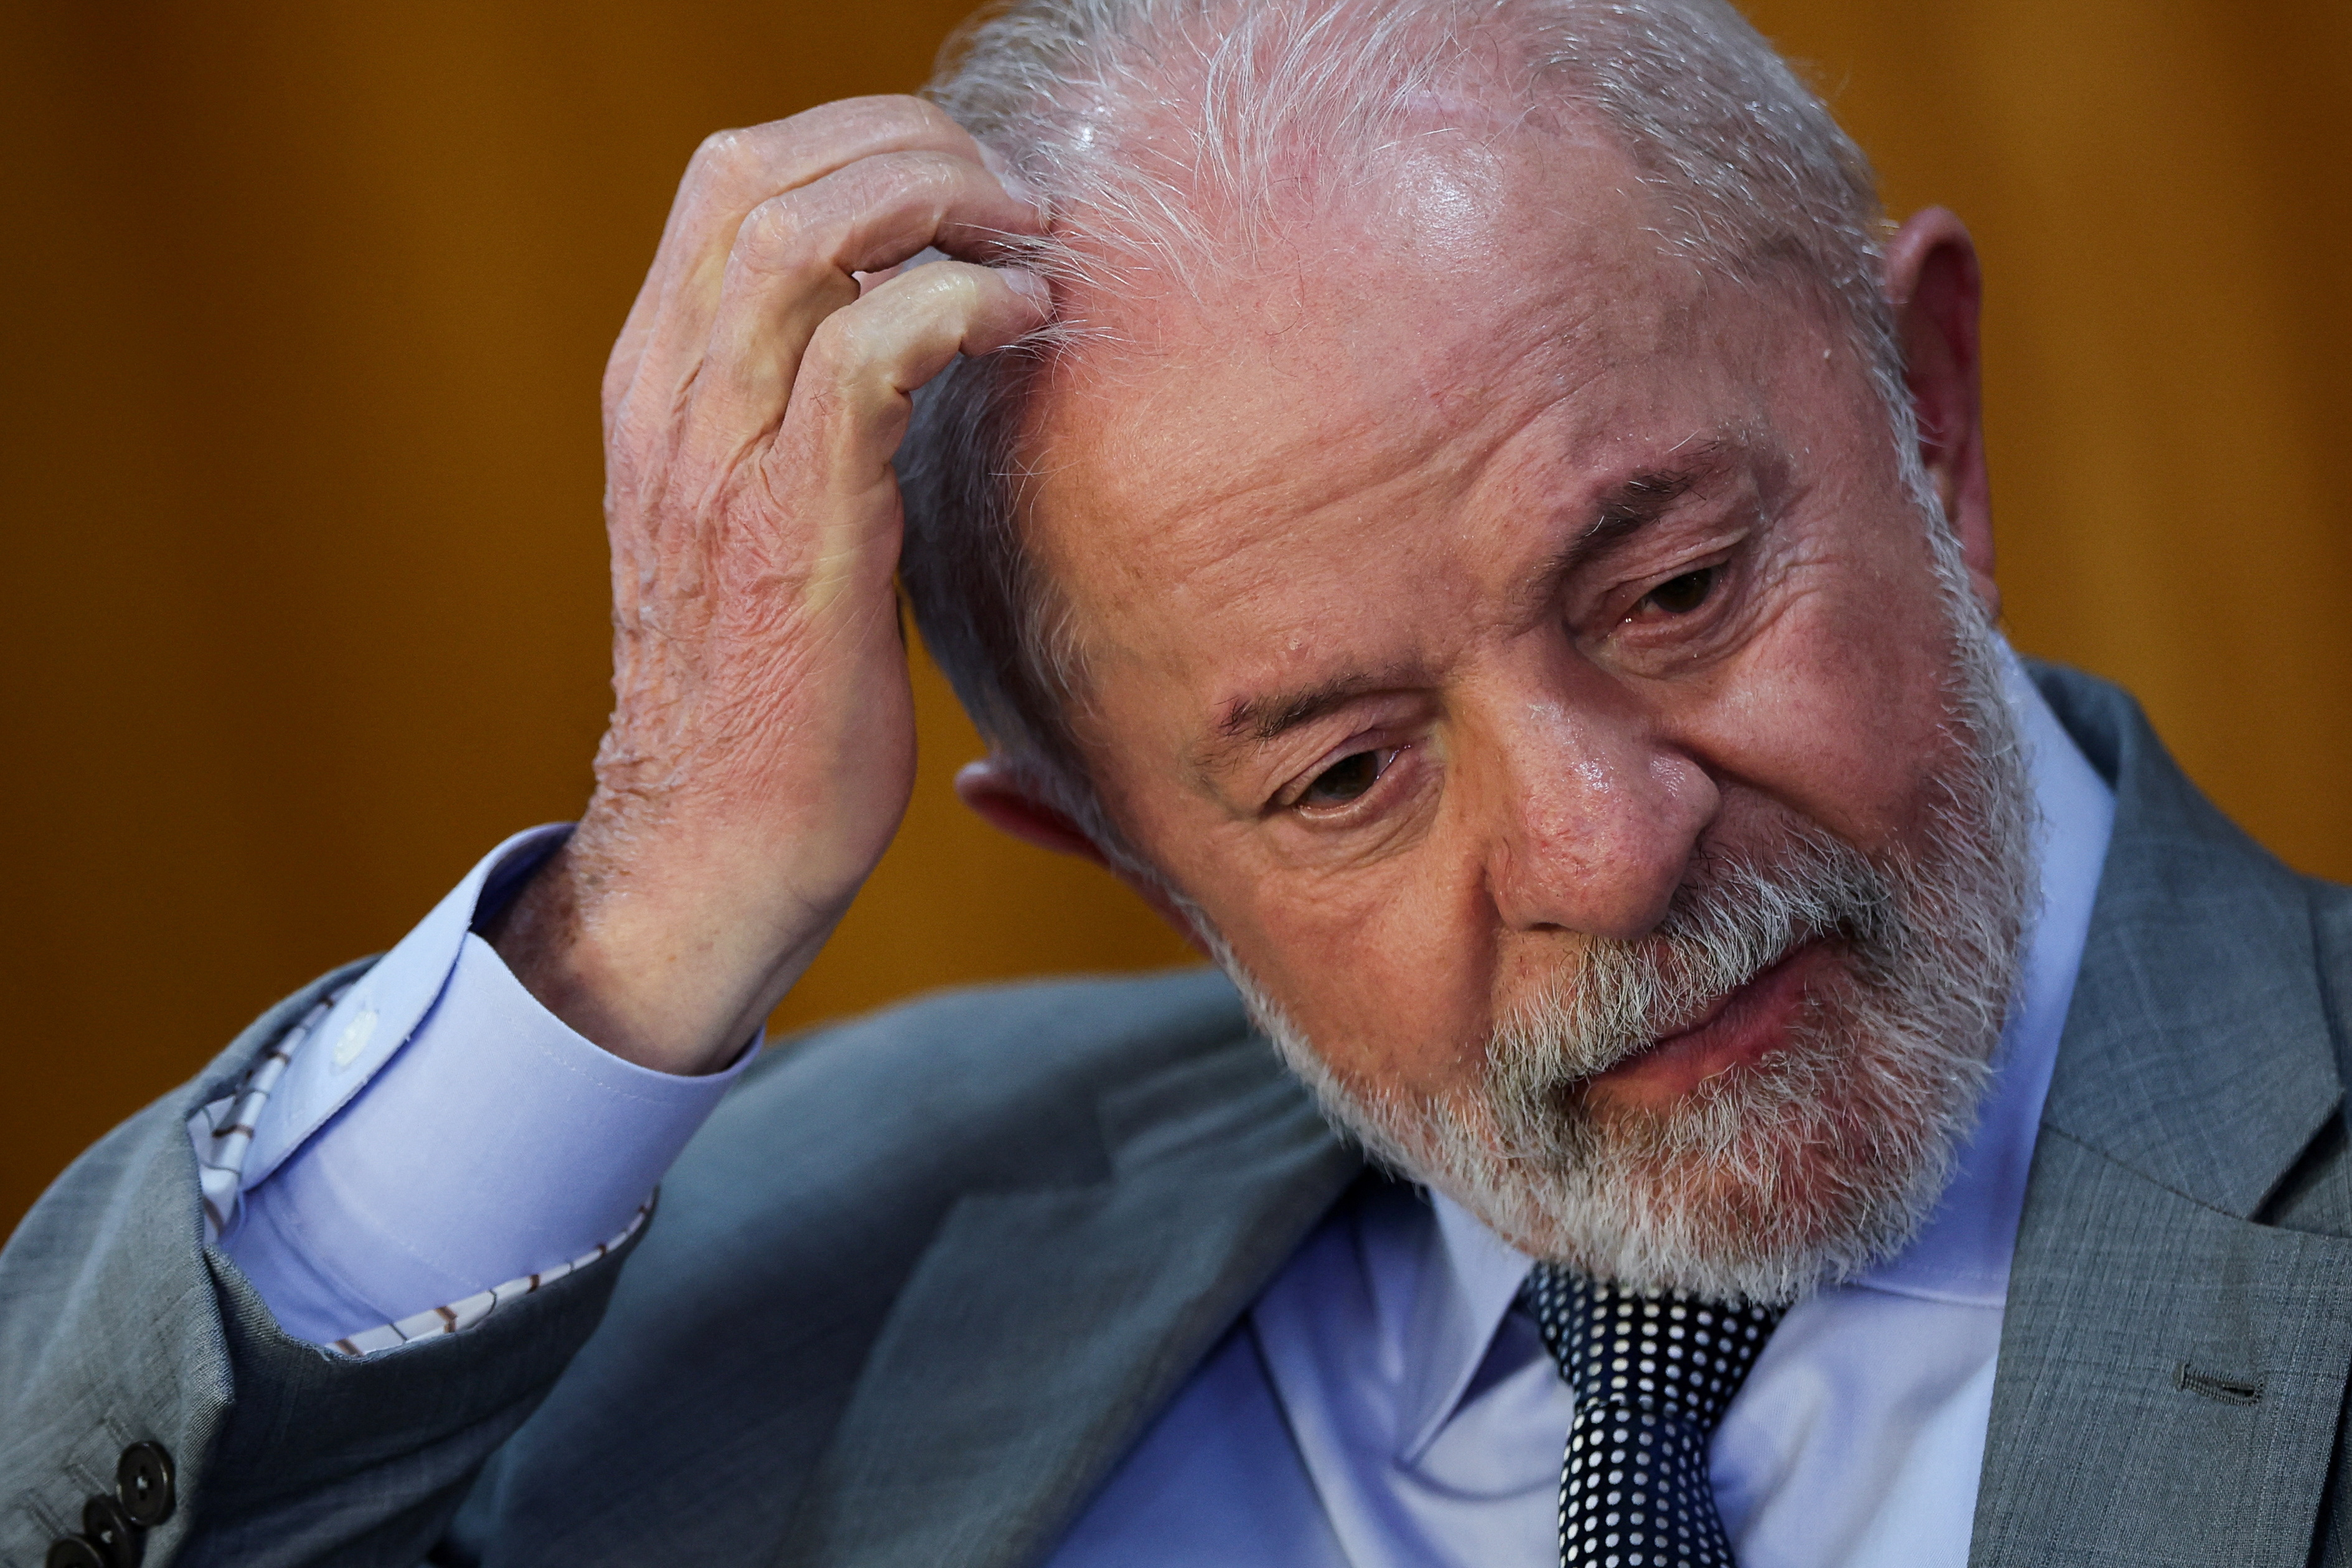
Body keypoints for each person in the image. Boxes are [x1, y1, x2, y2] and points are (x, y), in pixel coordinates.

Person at [9, 0, 2351, 1563]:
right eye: (1341, 775)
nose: (1602, 852)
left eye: (1672, 595)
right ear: (1130, 856)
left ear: (1925, 420)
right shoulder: (774, 1269)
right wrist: (644, 917)